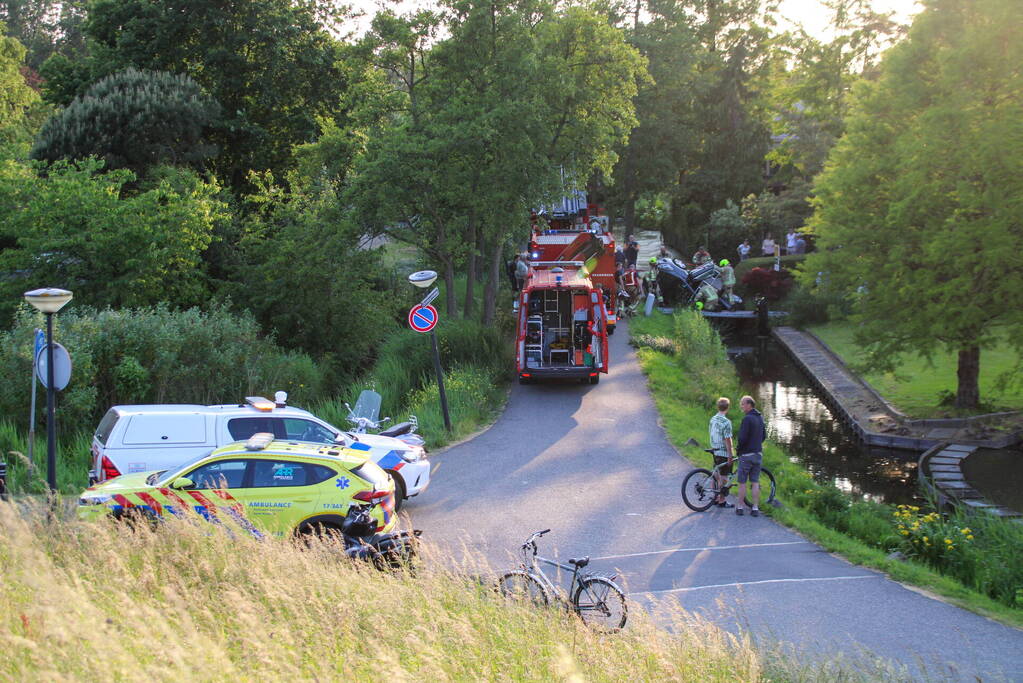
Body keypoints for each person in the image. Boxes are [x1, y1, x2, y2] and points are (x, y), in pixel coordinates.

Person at [735, 395, 767, 517]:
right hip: (758, 454)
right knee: (755, 482)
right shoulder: (760, 418)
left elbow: (742, 438)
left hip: (746, 455)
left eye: (743, 404)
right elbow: (764, 436)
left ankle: (740, 507)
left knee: (742, 482)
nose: (741, 406)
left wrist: (739, 450)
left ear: (749, 405)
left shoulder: (747, 419)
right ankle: (755, 508)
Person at [709, 397, 735, 507]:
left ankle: (714, 498)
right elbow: (727, 439)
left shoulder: (713, 419)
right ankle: (722, 500)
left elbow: (711, 432)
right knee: (724, 476)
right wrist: (730, 454)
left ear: (718, 407)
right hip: (723, 452)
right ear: (727, 408)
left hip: (715, 450)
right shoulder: (726, 422)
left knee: (715, 474)